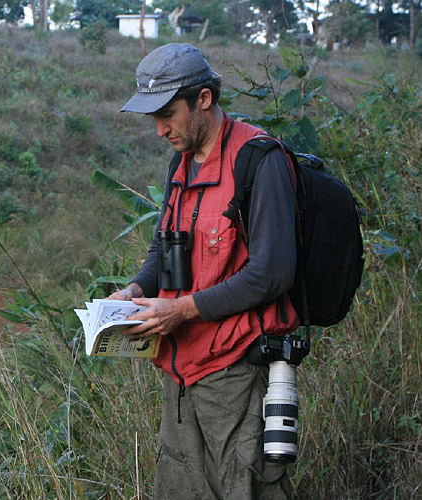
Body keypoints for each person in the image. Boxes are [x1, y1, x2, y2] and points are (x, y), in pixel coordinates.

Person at [108, 43, 299, 499]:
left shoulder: (259, 160)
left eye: (167, 114)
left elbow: (272, 273)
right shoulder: (183, 159)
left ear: (204, 100)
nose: (159, 130)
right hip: (179, 371)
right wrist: (135, 288)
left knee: (244, 489)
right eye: (153, 118)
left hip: (237, 373)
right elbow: (164, 247)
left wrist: (184, 311)